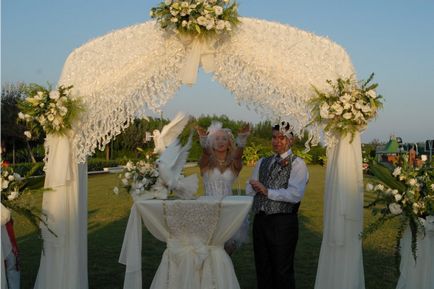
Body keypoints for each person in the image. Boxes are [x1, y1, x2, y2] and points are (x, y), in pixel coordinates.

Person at [246, 121, 309, 289]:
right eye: (274, 137)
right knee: (262, 268)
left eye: (281, 137)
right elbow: (249, 189)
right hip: (260, 222)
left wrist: (267, 191)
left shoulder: (298, 164)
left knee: (282, 270)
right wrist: (253, 187)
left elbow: (295, 195)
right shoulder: (262, 162)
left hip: (283, 223)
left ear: (292, 140)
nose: (276, 141)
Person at [196, 121, 250, 254]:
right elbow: (205, 155)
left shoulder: (234, 164)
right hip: (208, 210)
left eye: (224, 138)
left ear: (229, 143)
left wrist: (242, 140)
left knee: (225, 252)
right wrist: (203, 142)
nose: (220, 141)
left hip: (228, 211)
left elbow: (237, 157)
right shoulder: (206, 163)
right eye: (216, 138)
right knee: (207, 251)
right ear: (211, 143)